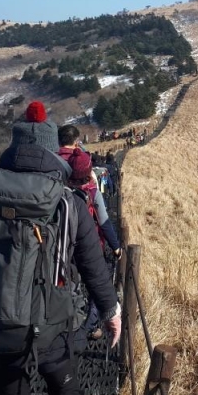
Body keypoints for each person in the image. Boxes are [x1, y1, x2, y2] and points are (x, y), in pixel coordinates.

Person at [0, 122, 121, 395]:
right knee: (65, 392)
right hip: (51, 327)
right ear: (51, 151)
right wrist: (110, 312)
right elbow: (94, 268)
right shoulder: (68, 203)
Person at [56, 125, 121, 340]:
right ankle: (89, 326)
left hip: (59, 240)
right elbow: (104, 220)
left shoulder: (51, 166)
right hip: (90, 241)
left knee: (67, 281)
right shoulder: (90, 189)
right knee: (95, 279)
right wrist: (116, 245)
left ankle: (66, 322)